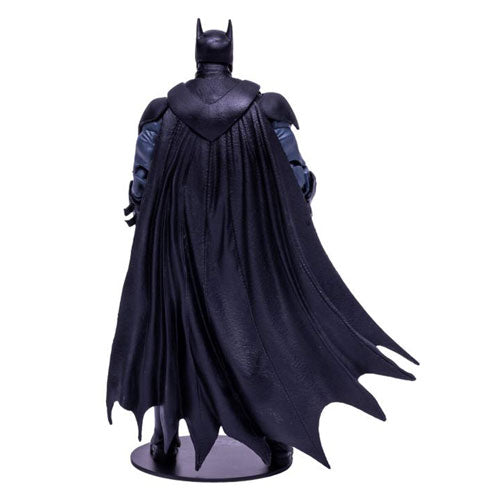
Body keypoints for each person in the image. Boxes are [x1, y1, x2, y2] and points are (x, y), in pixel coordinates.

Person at [107, 19, 417, 471]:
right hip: (245, 248)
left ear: (197, 58)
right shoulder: (264, 109)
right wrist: (305, 192)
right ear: (230, 57)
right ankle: (275, 437)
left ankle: (164, 439)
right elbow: (295, 175)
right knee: (258, 330)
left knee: (173, 335)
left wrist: (139, 202)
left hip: (177, 246)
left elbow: (142, 179)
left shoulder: (163, 112)